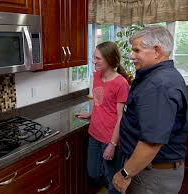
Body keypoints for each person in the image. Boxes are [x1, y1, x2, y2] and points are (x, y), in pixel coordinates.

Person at [112, 25, 188, 194]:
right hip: (148, 169)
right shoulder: (157, 76)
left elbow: (151, 143)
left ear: (157, 51)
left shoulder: (158, 85)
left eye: (137, 50)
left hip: (151, 174)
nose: (131, 56)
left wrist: (125, 173)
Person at [77, 41, 130, 194]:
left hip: (110, 138)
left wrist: (112, 144)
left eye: (98, 58)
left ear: (109, 59)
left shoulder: (121, 83)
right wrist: (92, 113)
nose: (93, 61)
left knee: (113, 181)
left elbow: (121, 117)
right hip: (94, 134)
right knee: (93, 173)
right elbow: (99, 102)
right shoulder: (97, 76)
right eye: (93, 57)